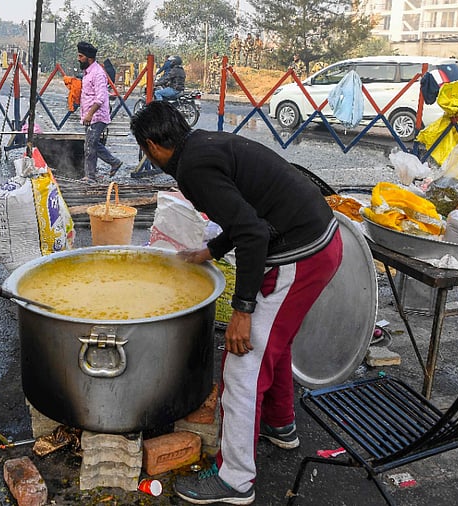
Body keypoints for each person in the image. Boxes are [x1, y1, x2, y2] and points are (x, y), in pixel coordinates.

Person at [130, 101, 342, 505]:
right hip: (319, 243)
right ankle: (280, 426)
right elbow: (246, 214)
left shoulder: (192, 168)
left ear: (153, 145)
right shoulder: (206, 145)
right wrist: (210, 251)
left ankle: (235, 479)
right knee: (272, 346)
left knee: (243, 361)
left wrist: (242, 311)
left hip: (298, 255)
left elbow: (252, 234)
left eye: (144, 149)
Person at [77, 41, 123, 182]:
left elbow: (101, 97)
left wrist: (90, 114)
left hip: (97, 116)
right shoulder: (88, 72)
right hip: (90, 115)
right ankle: (114, 162)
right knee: (92, 143)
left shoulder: (97, 74)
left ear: (89, 58)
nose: (78, 59)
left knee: (90, 146)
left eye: (81, 56)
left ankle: (90, 176)